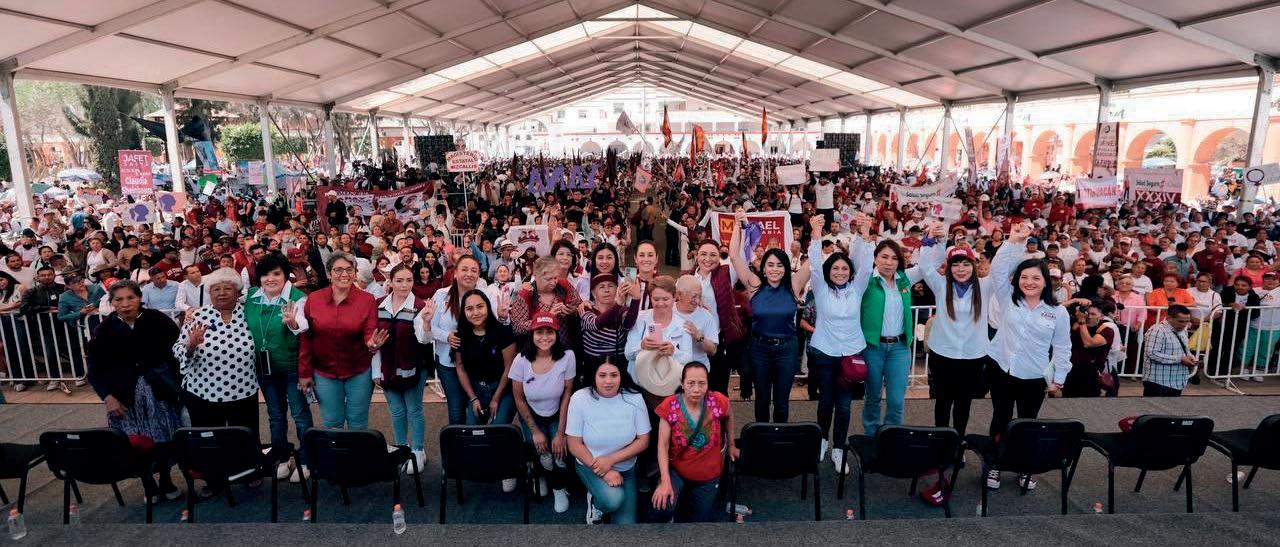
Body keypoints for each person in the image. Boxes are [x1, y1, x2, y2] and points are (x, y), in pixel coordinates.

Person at [985, 222, 1072, 492]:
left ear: (1045, 281)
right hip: (1002, 369)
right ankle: (995, 463)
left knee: (1027, 422)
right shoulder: (1007, 298)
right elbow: (998, 270)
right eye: (1024, 277)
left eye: (1035, 278)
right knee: (1000, 418)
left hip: (1034, 376)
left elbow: (1062, 347)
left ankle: (1024, 466)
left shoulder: (1058, 312)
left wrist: (1059, 379)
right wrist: (1015, 241)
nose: (1029, 282)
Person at [86, 280, 183, 502]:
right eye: (118, 299)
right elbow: (94, 370)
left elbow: (176, 355)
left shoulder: (158, 320)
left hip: (160, 391)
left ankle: (166, 479)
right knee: (135, 442)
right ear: (111, 303)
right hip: (124, 397)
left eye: (130, 297)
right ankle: (148, 483)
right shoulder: (103, 330)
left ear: (140, 298)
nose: (125, 304)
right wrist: (107, 397)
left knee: (165, 438)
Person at [728, 211, 810, 422]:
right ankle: (762, 437)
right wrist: (737, 224)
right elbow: (734, 256)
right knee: (762, 400)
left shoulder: (793, 285)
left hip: (786, 350)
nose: (775, 269)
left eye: (779, 265)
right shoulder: (754, 285)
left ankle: (780, 438)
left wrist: (816, 233)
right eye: (770, 265)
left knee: (782, 402)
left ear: (786, 268)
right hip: (759, 349)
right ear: (763, 268)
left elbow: (814, 263)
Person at [916, 223, 991, 439]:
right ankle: (941, 441)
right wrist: (929, 241)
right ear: (949, 267)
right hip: (943, 355)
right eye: (956, 264)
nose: (961, 269)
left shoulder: (985, 287)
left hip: (972, 357)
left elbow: (1003, 269)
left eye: (966, 264)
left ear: (974, 266)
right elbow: (925, 267)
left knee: (963, 403)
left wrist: (1016, 242)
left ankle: (958, 442)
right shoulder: (941, 285)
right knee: (942, 401)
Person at [243, 254, 313, 483]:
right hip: (265, 367)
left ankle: (306, 460)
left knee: (300, 415)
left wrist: (293, 323)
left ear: (285, 275)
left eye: (276, 273)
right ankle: (282, 457)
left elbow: (303, 327)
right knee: (275, 415)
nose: (270, 279)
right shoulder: (251, 297)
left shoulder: (297, 298)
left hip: (292, 366)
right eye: (265, 274)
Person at [299, 252, 385, 430]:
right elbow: (306, 339)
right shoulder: (314, 299)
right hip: (324, 372)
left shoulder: (367, 300)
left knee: (358, 422)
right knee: (332, 422)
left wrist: (372, 343)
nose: (344, 274)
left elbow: (370, 330)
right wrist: (304, 372)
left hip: (359, 371)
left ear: (355, 273)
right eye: (338, 270)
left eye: (349, 270)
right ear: (329, 273)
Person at [173, 268, 261, 440]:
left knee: (244, 441)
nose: (221, 293)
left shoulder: (249, 314)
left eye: (227, 288)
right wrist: (191, 346)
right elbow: (177, 349)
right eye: (216, 289)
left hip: (243, 392)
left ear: (238, 292)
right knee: (210, 443)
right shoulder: (198, 315)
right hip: (203, 393)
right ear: (210, 293)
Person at [566, 358, 650, 525]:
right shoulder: (580, 398)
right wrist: (604, 471)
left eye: (614, 375)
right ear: (594, 376)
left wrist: (610, 460)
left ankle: (604, 495)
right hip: (590, 465)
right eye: (602, 375)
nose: (608, 381)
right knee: (613, 500)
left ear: (621, 376)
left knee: (626, 527)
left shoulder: (635, 398)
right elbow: (574, 444)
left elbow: (643, 440)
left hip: (626, 469)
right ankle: (596, 502)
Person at [649, 361, 736, 523]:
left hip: (709, 475)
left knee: (698, 522)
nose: (696, 389)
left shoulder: (717, 401)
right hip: (678, 470)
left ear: (708, 384)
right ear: (682, 384)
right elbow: (663, 445)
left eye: (702, 383)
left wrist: (732, 445)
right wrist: (665, 481)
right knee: (662, 506)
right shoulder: (670, 405)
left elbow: (729, 414)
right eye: (691, 383)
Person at [509, 312, 576, 513]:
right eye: (539, 332)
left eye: (549, 332)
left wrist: (561, 433)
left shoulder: (568, 356)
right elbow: (519, 398)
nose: (544, 337)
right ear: (532, 334)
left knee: (559, 453)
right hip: (531, 413)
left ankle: (559, 488)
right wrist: (535, 431)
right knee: (540, 448)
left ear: (557, 334)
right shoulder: (520, 360)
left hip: (557, 411)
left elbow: (567, 394)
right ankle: (540, 475)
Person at [860, 231, 925, 436]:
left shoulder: (904, 280)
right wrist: (864, 236)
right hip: (873, 348)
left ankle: (891, 436)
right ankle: (871, 436)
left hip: (899, 348)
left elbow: (927, 265)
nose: (889, 262)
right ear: (875, 258)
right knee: (873, 397)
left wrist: (934, 240)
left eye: (894, 258)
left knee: (896, 400)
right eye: (884, 257)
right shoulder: (865, 280)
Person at [372, 264, 433, 474]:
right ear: (390, 282)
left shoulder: (420, 305)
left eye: (409, 280)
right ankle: (401, 449)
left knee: (414, 410)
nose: (404, 285)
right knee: (397, 412)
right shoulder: (378, 304)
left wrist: (426, 323)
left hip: (413, 367)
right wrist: (376, 371)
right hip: (386, 368)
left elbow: (424, 339)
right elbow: (374, 340)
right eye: (399, 280)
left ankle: (418, 450)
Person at [430, 255, 486, 425]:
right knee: (456, 408)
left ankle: (475, 439)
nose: (469, 274)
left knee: (476, 407)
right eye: (465, 269)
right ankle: (457, 440)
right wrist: (446, 336)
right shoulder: (441, 295)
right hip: (448, 362)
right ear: (455, 273)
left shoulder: (483, 295)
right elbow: (429, 327)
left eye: (474, 270)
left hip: (476, 362)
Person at [688, 240, 744, 395]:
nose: (708, 259)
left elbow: (739, 255)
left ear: (719, 257)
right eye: (703, 254)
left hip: (718, 339)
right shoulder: (687, 277)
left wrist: (740, 227)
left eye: (713, 255)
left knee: (718, 391)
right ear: (697, 255)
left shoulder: (726, 274)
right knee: (694, 390)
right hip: (690, 340)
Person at [454, 289, 517, 426]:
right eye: (469, 309)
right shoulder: (460, 336)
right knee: (472, 429)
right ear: (464, 312)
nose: (475, 312)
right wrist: (473, 398)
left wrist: (496, 398)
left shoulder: (503, 332)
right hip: (477, 390)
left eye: (480, 306)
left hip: (503, 389)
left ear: (488, 306)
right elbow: (460, 367)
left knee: (498, 427)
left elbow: (509, 368)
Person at [1062, 299, 1115, 397]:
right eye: (1088, 313)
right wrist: (1074, 301)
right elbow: (1054, 310)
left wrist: (1082, 322)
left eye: (1093, 314)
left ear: (1101, 316)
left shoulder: (1107, 331)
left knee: (1088, 403)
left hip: (1091, 374)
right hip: (1071, 371)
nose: (1089, 317)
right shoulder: (1076, 323)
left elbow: (1088, 343)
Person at [1141, 304, 1196, 396]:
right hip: (1158, 382)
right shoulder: (1157, 330)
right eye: (1181, 321)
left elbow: (1184, 349)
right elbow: (1152, 353)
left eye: (1187, 321)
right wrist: (1180, 359)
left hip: (1177, 381)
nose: (1184, 324)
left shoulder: (1183, 330)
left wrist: (1190, 357)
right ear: (1169, 318)